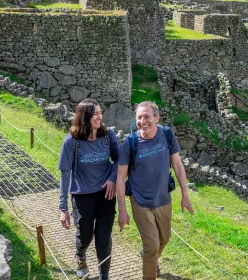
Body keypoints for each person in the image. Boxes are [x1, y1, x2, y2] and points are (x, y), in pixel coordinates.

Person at [117, 102, 193, 280]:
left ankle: (149, 259)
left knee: (164, 239)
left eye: (146, 117)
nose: (142, 121)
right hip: (140, 201)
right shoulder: (130, 142)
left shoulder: (166, 135)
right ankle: (149, 268)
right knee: (151, 245)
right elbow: (121, 177)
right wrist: (122, 210)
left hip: (163, 199)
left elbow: (177, 165)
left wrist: (185, 195)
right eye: (139, 117)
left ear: (157, 118)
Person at [58, 99, 119, 280]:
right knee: (85, 236)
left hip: (106, 195)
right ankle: (81, 256)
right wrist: (63, 208)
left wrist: (112, 178)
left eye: (100, 113)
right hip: (82, 196)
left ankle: (104, 276)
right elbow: (65, 174)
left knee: (104, 239)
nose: (99, 117)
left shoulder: (108, 136)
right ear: (84, 116)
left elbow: (119, 161)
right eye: (95, 113)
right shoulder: (71, 142)